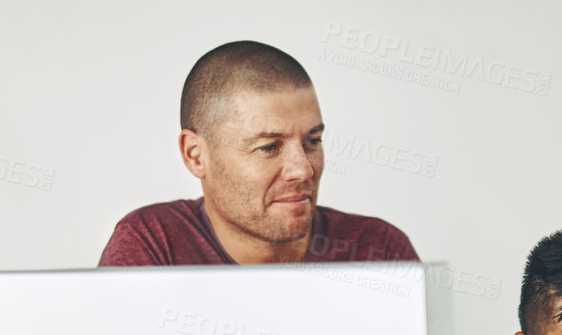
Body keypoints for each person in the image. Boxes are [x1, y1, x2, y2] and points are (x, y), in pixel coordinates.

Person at [99, 41, 417, 266]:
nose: (303, 170)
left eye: (312, 141)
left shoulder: (380, 251)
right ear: (196, 155)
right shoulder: (154, 246)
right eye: (269, 147)